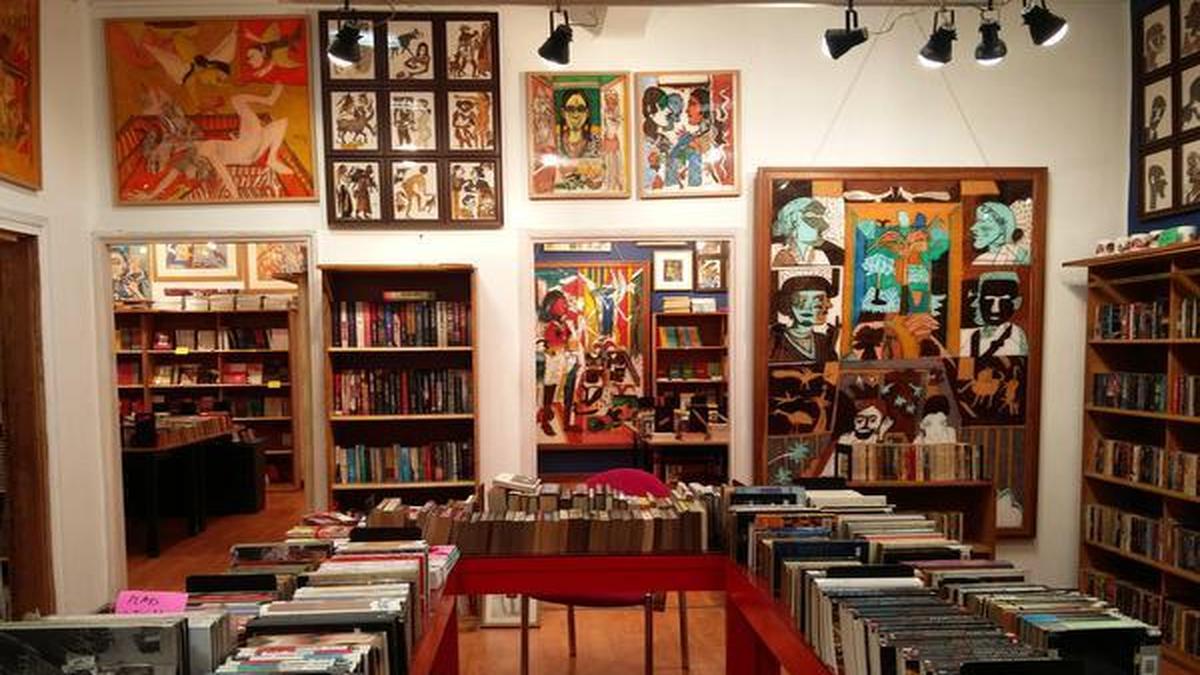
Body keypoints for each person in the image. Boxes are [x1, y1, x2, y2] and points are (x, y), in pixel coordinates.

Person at [770, 274, 839, 363]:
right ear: (788, 304)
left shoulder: (823, 341)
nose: (828, 306)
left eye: (825, 300)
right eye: (802, 301)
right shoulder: (774, 341)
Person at [960, 271, 1028, 357]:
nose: (995, 309)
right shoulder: (966, 334)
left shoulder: (1017, 335)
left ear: (1017, 303)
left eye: (1004, 301)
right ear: (978, 301)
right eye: (989, 300)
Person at [771, 197, 845, 266]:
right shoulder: (773, 250)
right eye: (811, 219)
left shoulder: (824, 254)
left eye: (819, 219)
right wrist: (776, 265)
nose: (822, 225)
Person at [558, 89, 597, 159]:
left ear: (587, 113)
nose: (576, 114)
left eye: (581, 109)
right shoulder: (555, 141)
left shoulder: (597, 143)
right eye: (570, 109)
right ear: (563, 112)